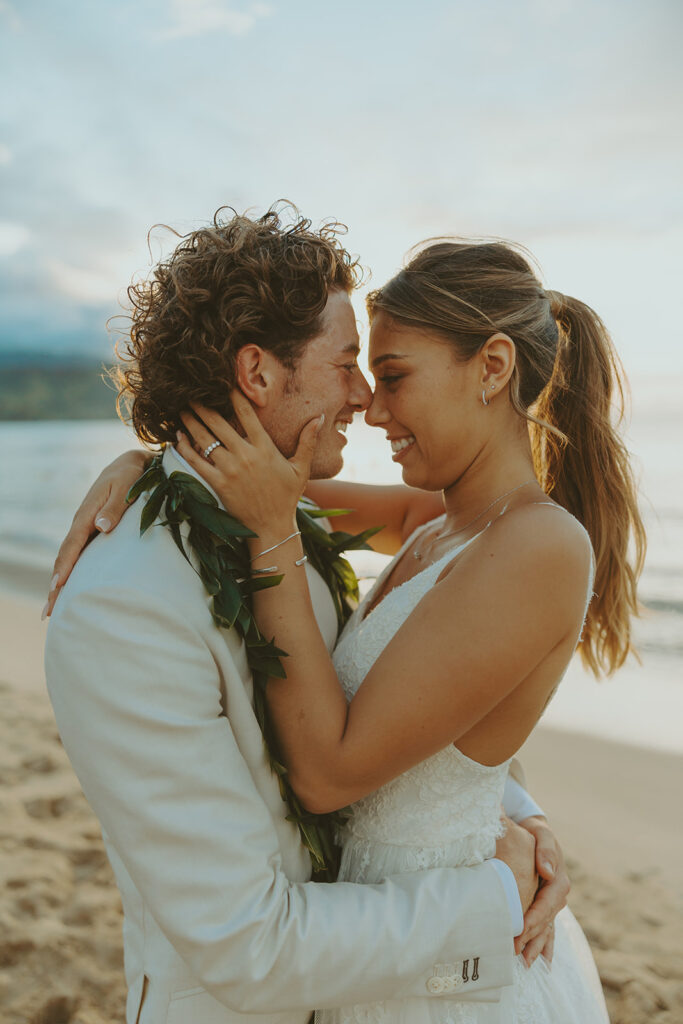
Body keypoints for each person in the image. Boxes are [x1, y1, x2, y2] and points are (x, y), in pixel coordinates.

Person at [45, 207, 565, 1024]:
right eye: (352, 364)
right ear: (257, 375)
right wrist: (496, 895)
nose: (364, 400)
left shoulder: (287, 522)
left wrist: (510, 808)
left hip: (391, 975)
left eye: (384, 372)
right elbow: (249, 944)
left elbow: (424, 686)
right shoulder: (123, 609)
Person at [138, 237, 646, 1022]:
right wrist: (139, 471)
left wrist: (276, 535)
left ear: (493, 367)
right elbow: (250, 480)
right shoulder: (434, 521)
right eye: (366, 377)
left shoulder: (539, 545)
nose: (372, 408)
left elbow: (329, 774)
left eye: (396, 377)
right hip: (384, 929)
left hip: (442, 943)